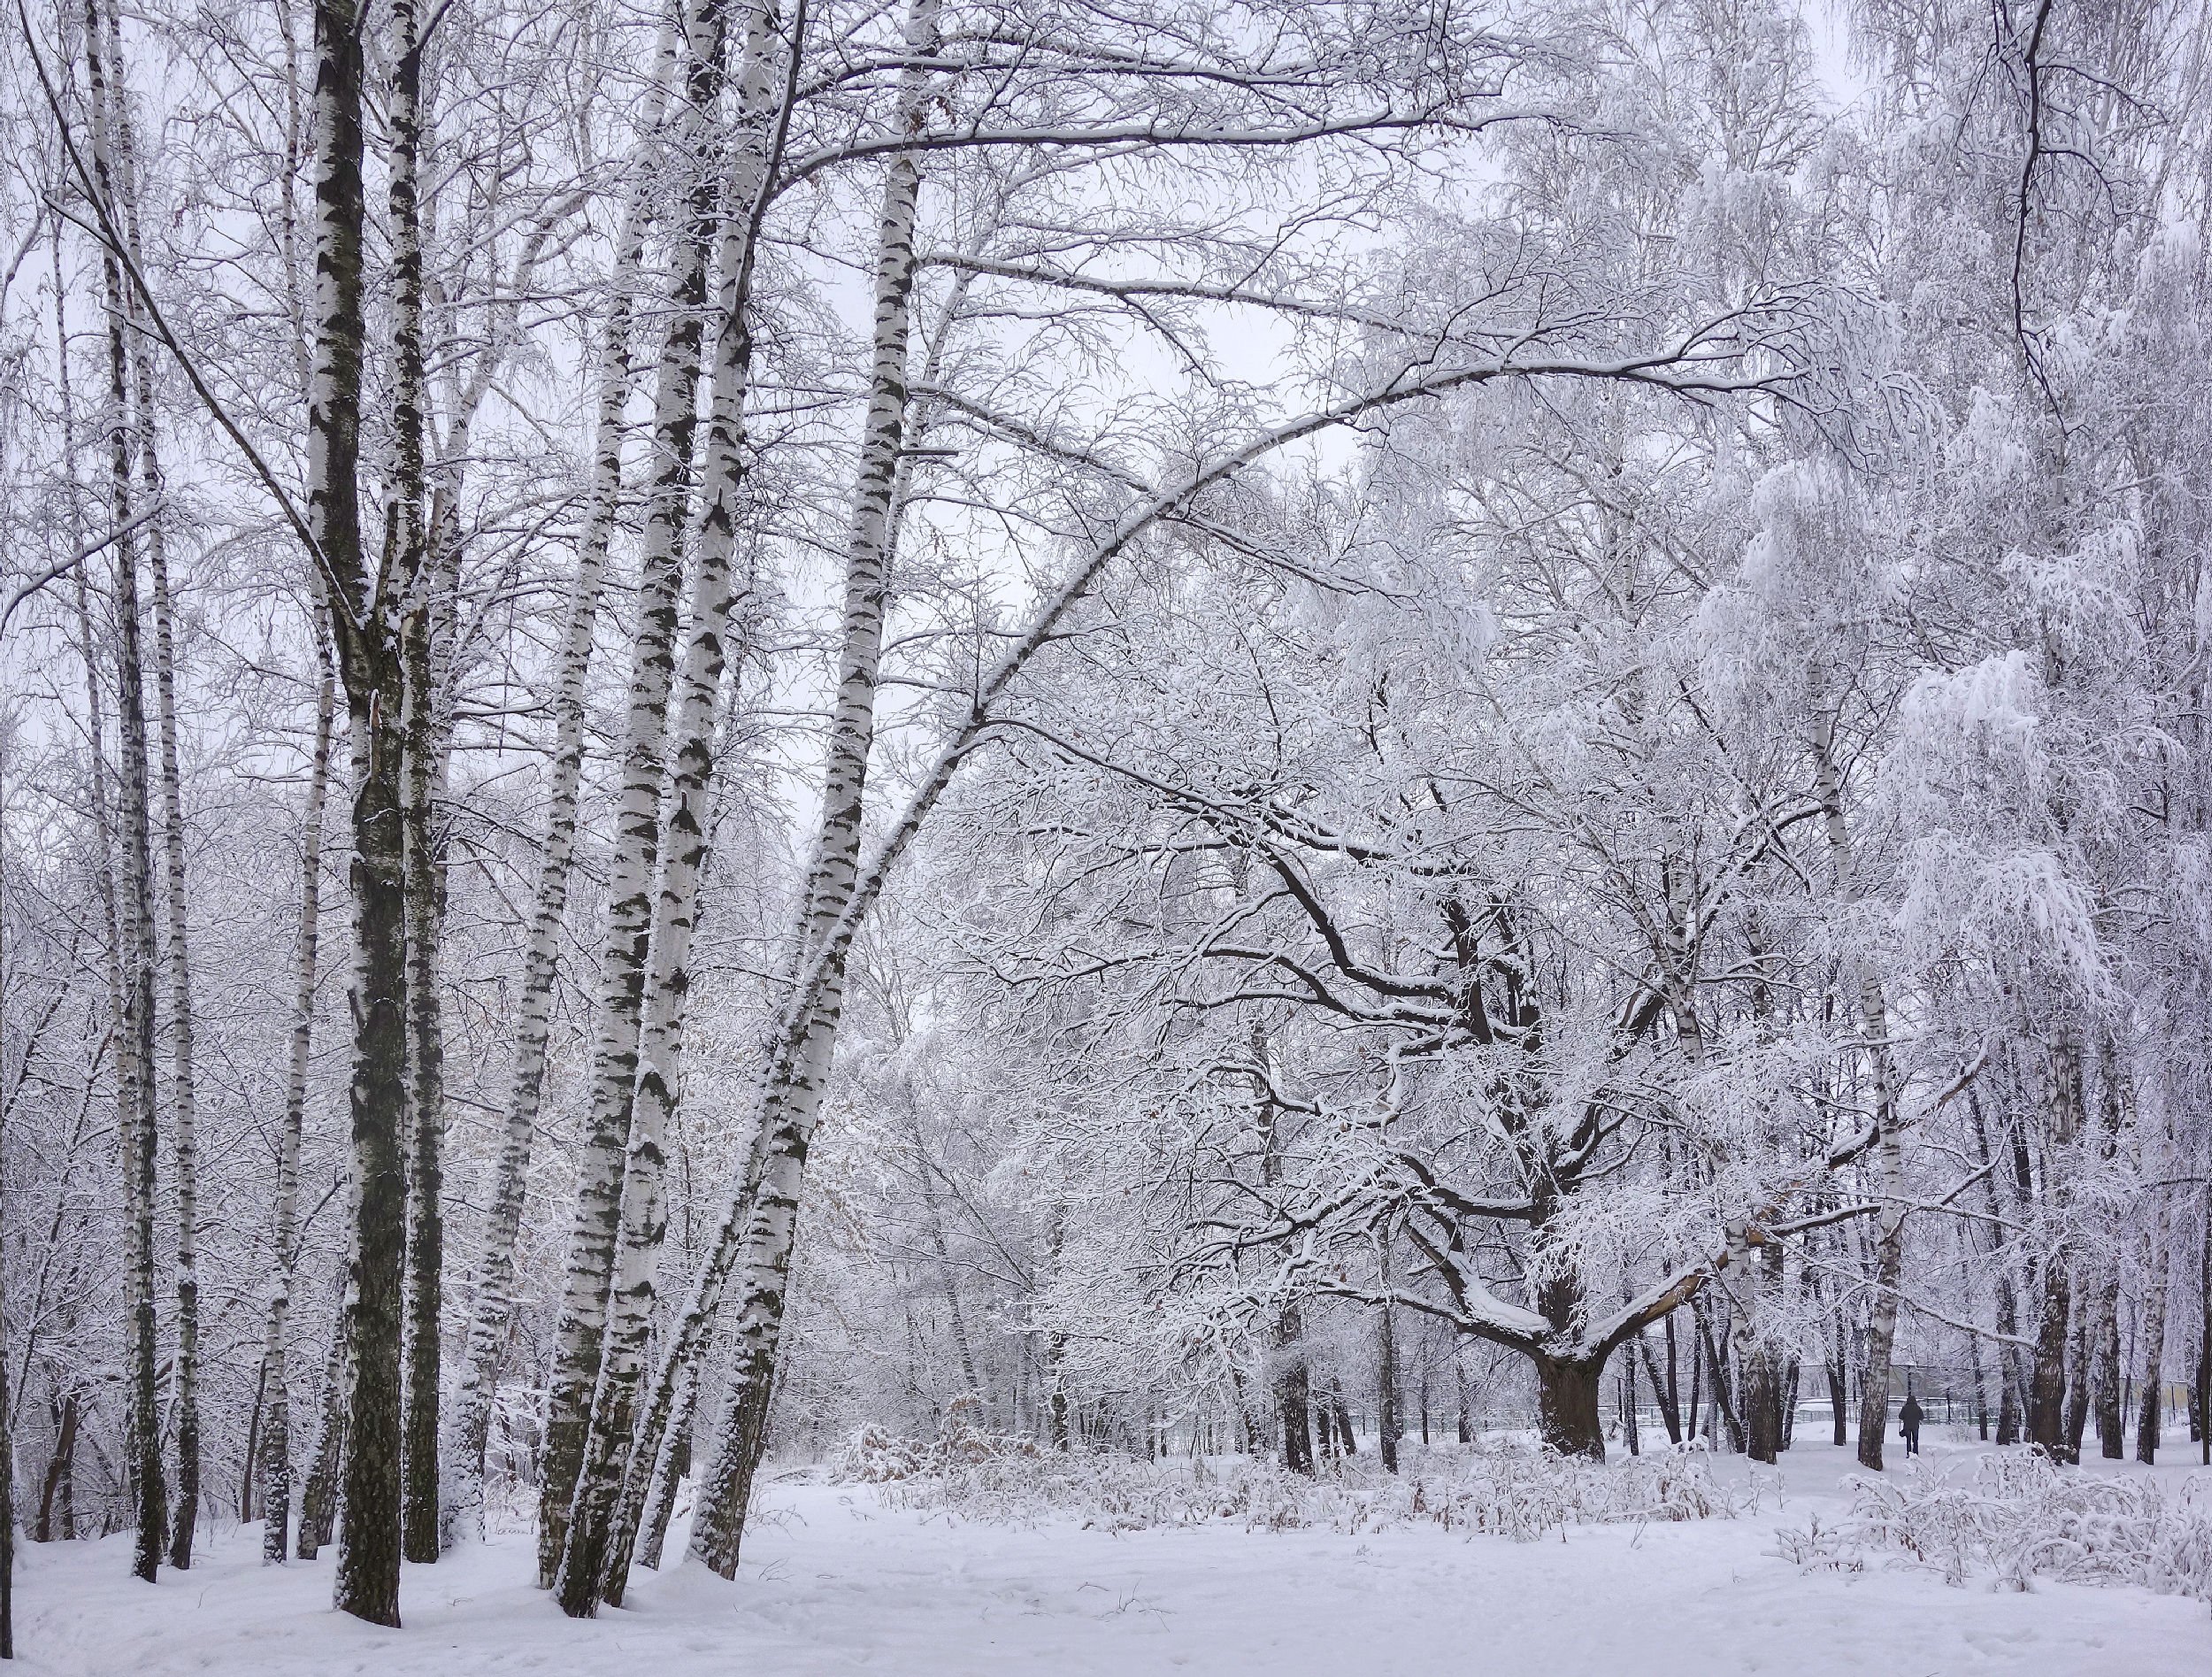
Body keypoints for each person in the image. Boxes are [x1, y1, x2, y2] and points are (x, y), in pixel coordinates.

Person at [1899, 1392, 1924, 1457]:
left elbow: (1900, 1417)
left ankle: (1909, 1453)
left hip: (1907, 1426)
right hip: (1915, 1426)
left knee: (1908, 1439)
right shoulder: (1918, 1408)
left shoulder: (1905, 1408)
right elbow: (1922, 1417)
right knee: (1915, 1440)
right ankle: (1915, 1452)